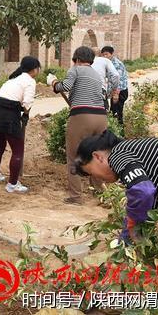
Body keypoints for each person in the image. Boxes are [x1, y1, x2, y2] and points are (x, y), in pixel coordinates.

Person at [75, 131, 158, 313]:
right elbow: (146, 194)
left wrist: (132, 226)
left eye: (91, 172)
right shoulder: (134, 151)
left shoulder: (118, 155)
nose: (97, 179)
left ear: (98, 157)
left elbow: (143, 191)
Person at [47, 46, 108, 205]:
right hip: (101, 117)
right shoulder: (96, 75)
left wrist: (53, 82)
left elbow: (64, 87)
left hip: (82, 117)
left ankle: (76, 197)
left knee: (73, 156)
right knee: (96, 155)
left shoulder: (76, 69)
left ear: (78, 59)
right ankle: (99, 192)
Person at [0, 56, 41, 193]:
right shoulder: (30, 81)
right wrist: (25, 114)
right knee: (18, 150)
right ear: (34, 69)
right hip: (8, 115)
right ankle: (12, 184)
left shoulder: (12, 80)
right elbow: (27, 104)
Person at [101, 46, 129, 126]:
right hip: (115, 91)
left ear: (112, 54)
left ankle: (120, 131)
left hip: (119, 91)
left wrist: (116, 94)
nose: (105, 56)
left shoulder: (116, 64)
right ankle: (116, 130)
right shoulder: (109, 63)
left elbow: (118, 79)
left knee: (117, 113)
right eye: (103, 55)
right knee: (113, 111)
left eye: (106, 54)